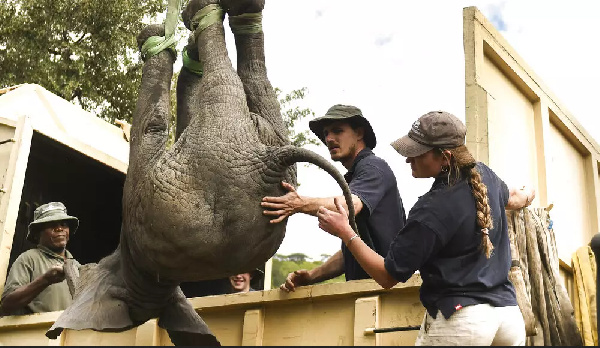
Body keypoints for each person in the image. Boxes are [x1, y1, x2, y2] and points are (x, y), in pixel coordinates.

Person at [316, 111, 534, 346]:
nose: (409, 159)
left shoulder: (431, 208)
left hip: (463, 321)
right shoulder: (484, 175)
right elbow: (513, 198)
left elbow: (387, 276)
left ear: (445, 157)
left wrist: (346, 232)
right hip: (508, 317)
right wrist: (528, 192)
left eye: (416, 153)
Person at [261, 104, 406, 291]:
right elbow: (353, 249)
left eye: (338, 131)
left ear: (359, 133)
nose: (329, 139)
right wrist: (312, 276)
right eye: (326, 133)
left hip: (388, 298)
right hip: (370, 295)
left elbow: (348, 205)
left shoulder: (373, 167)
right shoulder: (356, 175)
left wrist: (298, 204)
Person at [0, 202, 81, 316]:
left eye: (63, 224)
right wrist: (45, 280)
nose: (59, 228)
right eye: (52, 225)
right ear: (38, 234)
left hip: (71, 333)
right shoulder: (29, 258)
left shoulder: (77, 266)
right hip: (38, 332)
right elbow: (8, 304)